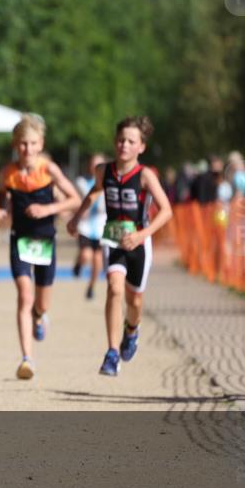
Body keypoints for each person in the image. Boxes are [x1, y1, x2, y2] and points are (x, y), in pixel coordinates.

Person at [67, 116, 173, 377]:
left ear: (141, 147)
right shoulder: (104, 171)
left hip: (138, 242)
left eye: (131, 141)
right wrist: (77, 216)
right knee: (114, 288)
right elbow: (95, 191)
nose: (124, 145)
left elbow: (166, 211)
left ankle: (132, 331)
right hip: (113, 238)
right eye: (120, 140)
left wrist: (142, 235)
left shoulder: (145, 175)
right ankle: (112, 352)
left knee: (134, 299)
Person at [0, 114, 81, 380]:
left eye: (32, 144)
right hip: (19, 238)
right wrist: (0, 209)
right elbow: (2, 193)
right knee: (24, 295)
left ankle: (40, 316)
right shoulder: (8, 172)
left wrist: (48, 208)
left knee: (41, 303)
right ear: (15, 144)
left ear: (40, 144)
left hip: (44, 241)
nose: (27, 150)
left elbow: (75, 199)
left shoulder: (49, 170)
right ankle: (27, 359)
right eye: (22, 144)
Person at [73, 154, 107, 300]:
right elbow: (79, 199)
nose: (96, 168)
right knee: (86, 255)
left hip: (101, 227)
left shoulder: (109, 184)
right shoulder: (81, 182)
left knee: (98, 261)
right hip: (85, 227)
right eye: (94, 164)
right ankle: (78, 264)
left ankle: (91, 286)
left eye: (99, 165)